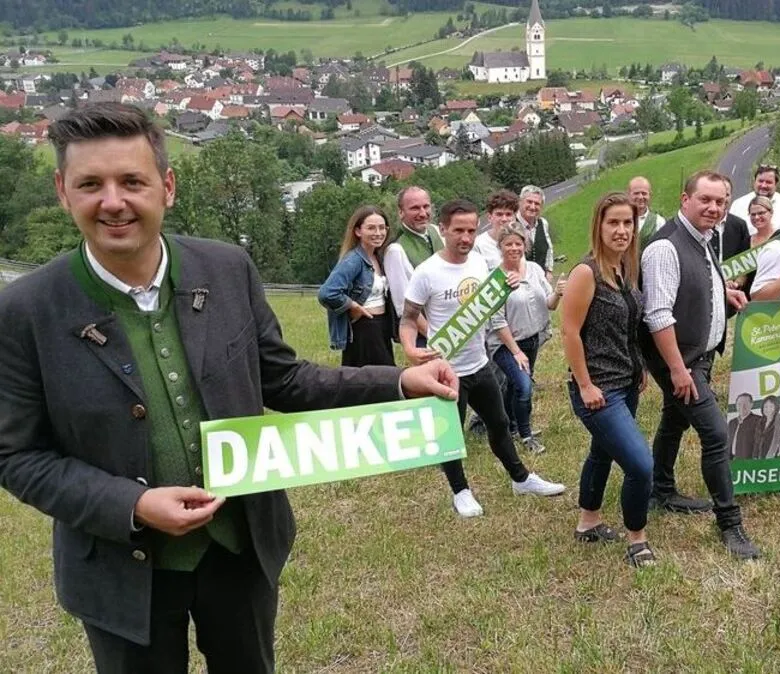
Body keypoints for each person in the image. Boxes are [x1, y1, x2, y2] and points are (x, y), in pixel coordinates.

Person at [0, 102, 458, 674]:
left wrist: (397, 380)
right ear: (63, 192)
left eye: (132, 181)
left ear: (166, 186)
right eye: (90, 183)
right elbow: (18, 456)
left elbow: (286, 379)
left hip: (239, 549)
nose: (113, 201)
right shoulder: (24, 311)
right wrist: (133, 505)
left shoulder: (226, 268)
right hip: (119, 569)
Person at [401, 199, 565, 518]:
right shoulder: (427, 272)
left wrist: (507, 287)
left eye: (471, 231)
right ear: (443, 229)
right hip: (446, 371)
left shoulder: (478, 262)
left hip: (480, 363)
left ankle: (521, 479)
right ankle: (461, 492)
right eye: (458, 230)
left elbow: (486, 307)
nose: (465, 237)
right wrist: (410, 347)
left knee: (500, 424)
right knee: (451, 436)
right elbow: (408, 318)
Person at [640, 169, 760, 560]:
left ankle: (661, 490)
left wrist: (725, 293)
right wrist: (677, 370)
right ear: (684, 200)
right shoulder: (665, 248)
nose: (713, 207)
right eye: (705, 200)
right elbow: (657, 315)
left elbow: (695, 282)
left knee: (674, 420)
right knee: (716, 435)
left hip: (699, 357)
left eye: (720, 201)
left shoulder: (706, 238)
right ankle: (730, 524)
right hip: (681, 360)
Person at [561, 191, 656, 567]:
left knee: (602, 451)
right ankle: (637, 539)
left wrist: (640, 366)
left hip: (627, 382)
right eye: (613, 222)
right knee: (640, 464)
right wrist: (585, 384)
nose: (621, 230)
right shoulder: (587, 272)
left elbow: (628, 327)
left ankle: (588, 522)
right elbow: (569, 332)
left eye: (628, 223)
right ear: (598, 226)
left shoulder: (624, 271)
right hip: (599, 388)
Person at [487, 226, 562, 453]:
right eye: (508, 244)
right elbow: (497, 321)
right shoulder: (495, 277)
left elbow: (549, 304)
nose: (514, 248)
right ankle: (526, 435)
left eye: (518, 243)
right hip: (505, 344)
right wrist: (515, 352)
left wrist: (558, 292)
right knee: (524, 386)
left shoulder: (534, 269)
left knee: (514, 386)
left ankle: (511, 426)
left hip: (532, 338)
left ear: (525, 245)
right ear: (500, 247)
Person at [318, 206, 395, 367]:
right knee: (373, 381)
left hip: (381, 328)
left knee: (384, 379)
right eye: (371, 228)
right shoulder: (354, 260)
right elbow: (327, 292)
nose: (378, 233)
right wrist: (352, 305)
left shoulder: (377, 257)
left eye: (382, 228)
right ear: (358, 231)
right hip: (365, 329)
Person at [383, 186, 442, 348]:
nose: (423, 213)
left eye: (426, 206)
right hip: (426, 337)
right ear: (401, 212)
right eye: (415, 208)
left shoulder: (436, 232)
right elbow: (404, 307)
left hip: (453, 327)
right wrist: (436, 338)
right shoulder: (395, 250)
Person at [728, 164, 780, 231]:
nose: (763, 185)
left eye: (768, 182)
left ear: (776, 184)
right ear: (754, 182)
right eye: (760, 181)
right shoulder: (738, 204)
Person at [472, 189, 520, 269]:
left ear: (514, 217)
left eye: (508, 214)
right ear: (489, 217)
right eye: (499, 214)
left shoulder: (519, 242)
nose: (504, 219)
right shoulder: (478, 245)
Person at [516, 185, 554, 278]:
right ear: (520, 202)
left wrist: (549, 270)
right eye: (529, 202)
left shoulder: (543, 223)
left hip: (540, 280)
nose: (533, 207)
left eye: (537, 204)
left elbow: (549, 248)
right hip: (518, 282)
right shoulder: (511, 224)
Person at [630, 175, 666, 248]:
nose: (640, 197)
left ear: (650, 195)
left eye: (644, 193)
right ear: (628, 195)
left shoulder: (659, 222)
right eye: (636, 193)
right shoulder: (621, 220)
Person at [729, 393, 763, 460]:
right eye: (739, 404)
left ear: (751, 405)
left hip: (748, 462)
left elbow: (759, 443)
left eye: (745, 404)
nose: (742, 406)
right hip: (732, 460)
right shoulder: (732, 422)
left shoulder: (759, 420)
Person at [754, 395, 780, 460]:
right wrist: (755, 457)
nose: (768, 409)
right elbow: (756, 442)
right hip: (760, 458)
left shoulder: (779, 422)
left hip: (773, 458)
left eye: (771, 406)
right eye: (766, 407)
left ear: (776, 407)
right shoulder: (760, 422)